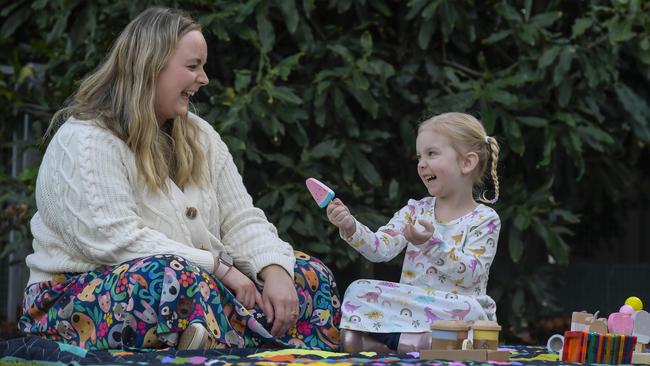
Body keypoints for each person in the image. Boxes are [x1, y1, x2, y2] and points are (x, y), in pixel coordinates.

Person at [19, 7, 340, 351]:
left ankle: (241, 345)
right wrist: (219, 268)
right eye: (192, 66)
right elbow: (114, 240)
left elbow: (241, 219)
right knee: (168, 278)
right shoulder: (84, 139)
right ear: (149, 66)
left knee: (308, 276)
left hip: (196, 285)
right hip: (77, 297)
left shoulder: (201, 137)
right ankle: (225, 340)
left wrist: (274, 268)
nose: (204, 78)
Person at [326, 112, 501, 353]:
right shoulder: (415, 210)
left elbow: (471, 275)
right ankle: (424, 344)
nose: (421, 164)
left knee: (472, 310)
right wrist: (350, 226)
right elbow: (380, 249)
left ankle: (388, 343)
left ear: (467, 163)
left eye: (431, 154)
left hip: (457, 312)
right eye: (419, 156)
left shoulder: (485, 219)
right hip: (412, 309)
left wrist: (430, 243)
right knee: (358, 289)